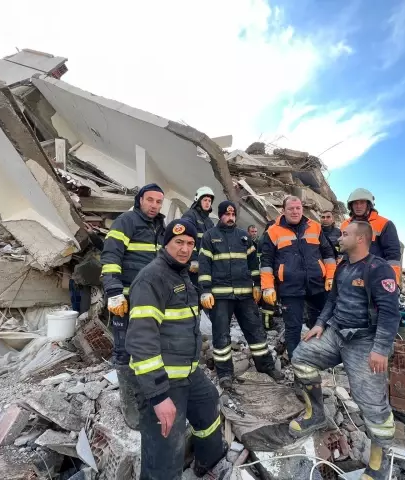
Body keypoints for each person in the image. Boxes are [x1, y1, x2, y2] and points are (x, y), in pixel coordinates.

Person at [288, 221, 401, 480]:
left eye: (345, 234)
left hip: (365, 342)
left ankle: (379, 463)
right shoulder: (343, 266)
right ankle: (315, 414)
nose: (340, 237)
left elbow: (390, 313)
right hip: (336, 333)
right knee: (301, 358)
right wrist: (319, 324)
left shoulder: (379, 269)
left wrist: (381, 349)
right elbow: (332, 300)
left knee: (372, 405)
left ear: (361, 239)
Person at [126, 219, 229, 480]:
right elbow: (141, 339)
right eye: (179, 242)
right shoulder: (152, 278)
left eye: (190, 244)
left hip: (188, 372)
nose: (185, 249)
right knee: (164, 453)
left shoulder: (181, 273)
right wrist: (159, 396)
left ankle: (208, 463)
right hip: (164, 380)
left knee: (208, 405)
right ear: (166, 243)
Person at [100, 183, 166, 429]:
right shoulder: (126, 221)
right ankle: (131, 406)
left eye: (159, 202)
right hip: (126, 299)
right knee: (124, 349)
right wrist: (114, 291)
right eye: (150, 200)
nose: (154, 205)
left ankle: (152, 397)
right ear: (140, 200)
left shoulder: (161, 227)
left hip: (151, 299)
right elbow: (110, 256)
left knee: (151, 347)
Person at [198, 201, 283, 388]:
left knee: (256, 331)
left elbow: (253, 264)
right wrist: (204, 291)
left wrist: (257, 286)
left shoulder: (244, 236)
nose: (230, 218)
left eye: (233, 215)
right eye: (227, 215)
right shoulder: (210, 237)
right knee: (221, 335)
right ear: (220, 215)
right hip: (220, 297)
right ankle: (225, 374)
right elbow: (204, 266)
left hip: (245, 295)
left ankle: (265, 365)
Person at [260, 196, 337, 358]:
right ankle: (297, 366)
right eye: (291, 209)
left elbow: (328, 254)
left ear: (302, 209)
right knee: (293, 328)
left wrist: (331, 277)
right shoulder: (273, 232)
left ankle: (322, 358)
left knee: (323, 322)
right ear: (283, 210)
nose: (295, 212)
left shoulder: (315, 227)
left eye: (298, 208)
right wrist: (267, 287)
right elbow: (266, 262)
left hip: (317, 285)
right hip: (290, 288)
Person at [341, 188, 402, 284]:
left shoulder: (384, 223)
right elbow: (342, 251)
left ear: (369, 205)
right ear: (351, 206)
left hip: (375, 275)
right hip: (349, 275)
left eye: (362, 203)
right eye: (355, 203)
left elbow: (393, 255)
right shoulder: (345, 224)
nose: (358, 206)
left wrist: (393, 280)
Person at [182, 186, 215, 288]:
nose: (207, 203)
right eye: (205, 200)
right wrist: (193, 259)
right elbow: (186, 238)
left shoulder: (209, 222)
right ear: (198, 200)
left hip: (206, 265)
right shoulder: (190, 216)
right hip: (192, 266)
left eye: (209, 201)